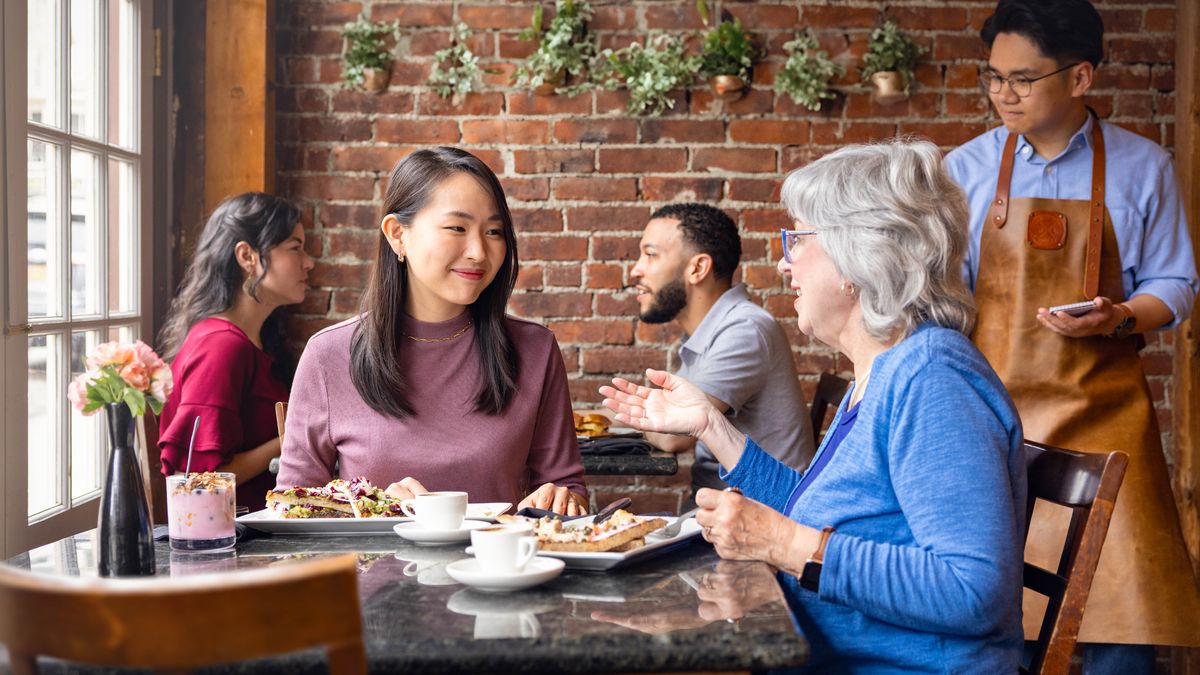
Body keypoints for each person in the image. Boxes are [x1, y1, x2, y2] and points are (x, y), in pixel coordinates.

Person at [602, 141, 1027, 673]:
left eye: (797, 239)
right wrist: (711, 425)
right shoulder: (882, 372)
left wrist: (783, 542)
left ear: (859, 255)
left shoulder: (933, 379)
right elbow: (811, 511)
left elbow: (974, 591)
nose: (782, 262)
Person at [943, 1, 1200, 669]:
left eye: (1022, 78)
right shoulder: (963, 172)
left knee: (1125, 627)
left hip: (1109, 422)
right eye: (993, 76)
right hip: (999, 426)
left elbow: (1175, 283)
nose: (1004, 93)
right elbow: (942, 300)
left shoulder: (1145, 168)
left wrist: (1118, 316)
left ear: (1080, 77)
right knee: (1006, 628)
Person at [276, 147, 587, 515]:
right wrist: (378, 507)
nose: (478, 251)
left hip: (497, 569)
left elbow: (569, 491)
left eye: (494, 231)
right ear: (397, 235)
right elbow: (290, 506)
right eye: (457, 227)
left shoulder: (535, 349)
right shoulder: (329, 354)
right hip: (375, 569)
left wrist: (561, 500)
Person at [629, 203, 814, 509]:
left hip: (761, 515)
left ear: (698, 268)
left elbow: (674, 435)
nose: (636, 269)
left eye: (650, 255)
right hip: (724, 510)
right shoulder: (712, 329)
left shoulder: (744, 330)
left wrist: (631, 415)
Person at [158, 193, 313, 511]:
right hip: (232, 543)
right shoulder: (220, 347)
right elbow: (195, 479)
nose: (309, 262)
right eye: (295, 248)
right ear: (247, 257)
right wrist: (290, 439)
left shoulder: (252, 343)